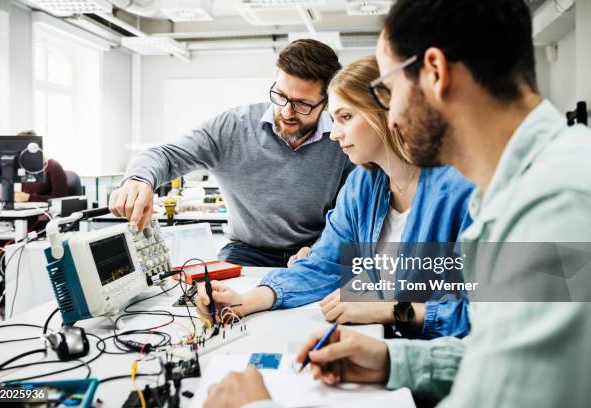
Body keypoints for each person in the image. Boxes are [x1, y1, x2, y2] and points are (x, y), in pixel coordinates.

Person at [203, 0, 591, 407]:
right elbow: (502, 358)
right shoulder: (520, 189)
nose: (391, 115)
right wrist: (392, 360)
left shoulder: (556, 206)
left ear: (436, 73)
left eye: (388, 90)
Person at [195, 56, 474, 340]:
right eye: (334, 119)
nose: (334, 133)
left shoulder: (463, 190)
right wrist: (245, 302)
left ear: (388, 111)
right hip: (384, 345)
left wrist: (391, 309)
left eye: (345, 117)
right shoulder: (363, 185)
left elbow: (486, 314)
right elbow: (325, 265)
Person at [109, 39, 352, 268]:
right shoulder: (233, 127)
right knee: (212, 304)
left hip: (316, 249)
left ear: (326, 102)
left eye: (302, 104)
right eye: (280, 96)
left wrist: (323, 248)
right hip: (245, 250)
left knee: (329, 310)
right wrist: (138, 179)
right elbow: (166, 155)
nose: (286, 112)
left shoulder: (344, 140)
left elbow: (355, 215)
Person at [0, 130, 68, 203]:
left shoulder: (52, 166)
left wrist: (30, 198)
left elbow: (62, 198)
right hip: (24, 211)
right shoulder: (21, 167)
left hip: (44, 216)